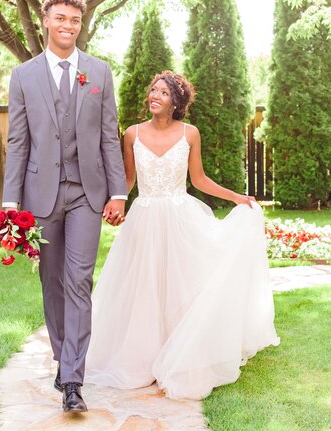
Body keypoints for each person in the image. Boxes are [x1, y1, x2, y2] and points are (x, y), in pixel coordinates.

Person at [84, 70, 279, 400]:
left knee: (181, 286)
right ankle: (143, 359)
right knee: (143, 288)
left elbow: (199, 179)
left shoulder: (190, 134)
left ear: (176, 101)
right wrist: (113, 201)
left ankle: (180, 356)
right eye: (152, 90)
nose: (154, 95)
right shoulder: (131, 134)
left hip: (180, 218)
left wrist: (236, 197)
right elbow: (128, 181)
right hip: (144, 218)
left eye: (162, 92)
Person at [2, 0, 127, 412]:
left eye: (74, 20)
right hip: (40, 196)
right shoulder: (23, 76)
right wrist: (9, 203)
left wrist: (118, 191)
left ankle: (73, 379)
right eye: (60, 18)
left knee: (78, 281)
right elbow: (18, 142)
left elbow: (109, 135)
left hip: (87, 195)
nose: (67, 26)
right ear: (46, 21)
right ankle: (62, 356)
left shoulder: (100, 73)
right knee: (52, 282)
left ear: (80, 24)